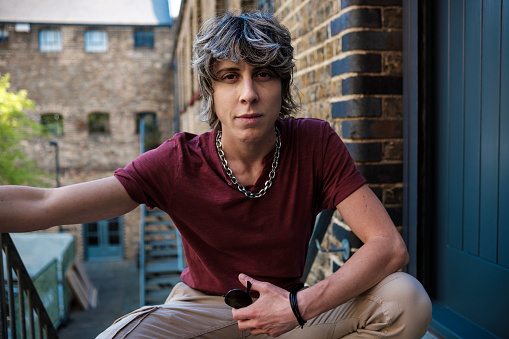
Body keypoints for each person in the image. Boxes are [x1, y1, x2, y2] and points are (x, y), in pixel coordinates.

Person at [0, 11, 432, 339]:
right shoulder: (177, 162)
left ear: (281, 86)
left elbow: (389, 247)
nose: (248, 93)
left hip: (288, 311)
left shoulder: (314, 143)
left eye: (263, 74)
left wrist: (298, 306)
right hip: (200, 310)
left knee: (405, 299)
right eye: (230, 77)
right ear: (211, 92)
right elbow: (46, 203)